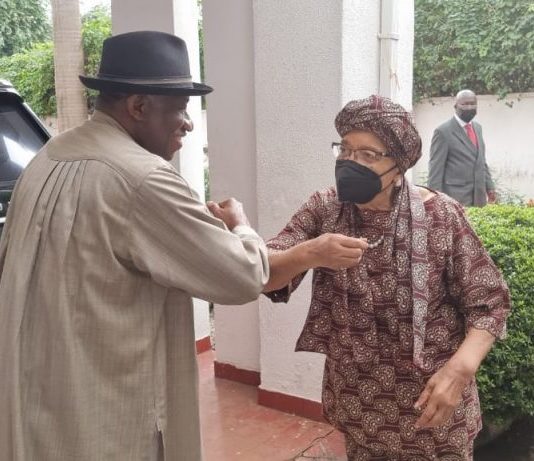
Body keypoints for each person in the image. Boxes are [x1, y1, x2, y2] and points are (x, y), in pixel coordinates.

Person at [0, 31, 269, 461]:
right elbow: (244, 275)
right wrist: (241, 226)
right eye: (179, 107)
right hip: (106, 417)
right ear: (139, 107)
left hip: (37, 399)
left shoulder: (48, 156)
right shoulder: (143, 178)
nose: (188, 122)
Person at [264, 95, 510, 460]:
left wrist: (459, 371)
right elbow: (264, 273)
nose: (350, 162)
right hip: (359, 409)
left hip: (434, 411)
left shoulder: (441, 216)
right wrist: (309, 254)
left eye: (368, 154)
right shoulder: (325, 209)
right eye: (345, 149)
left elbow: (489, 304)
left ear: (399, 166)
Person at [428, 89, 496, 207]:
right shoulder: (443, 132)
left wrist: (490, 187)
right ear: (455, 106)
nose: (469, 107)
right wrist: (435, 201)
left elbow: (481, 161)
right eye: (465, 104)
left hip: (478, 198)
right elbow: (436, 170)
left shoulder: (478, 128)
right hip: (455, 198)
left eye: (472, 104)